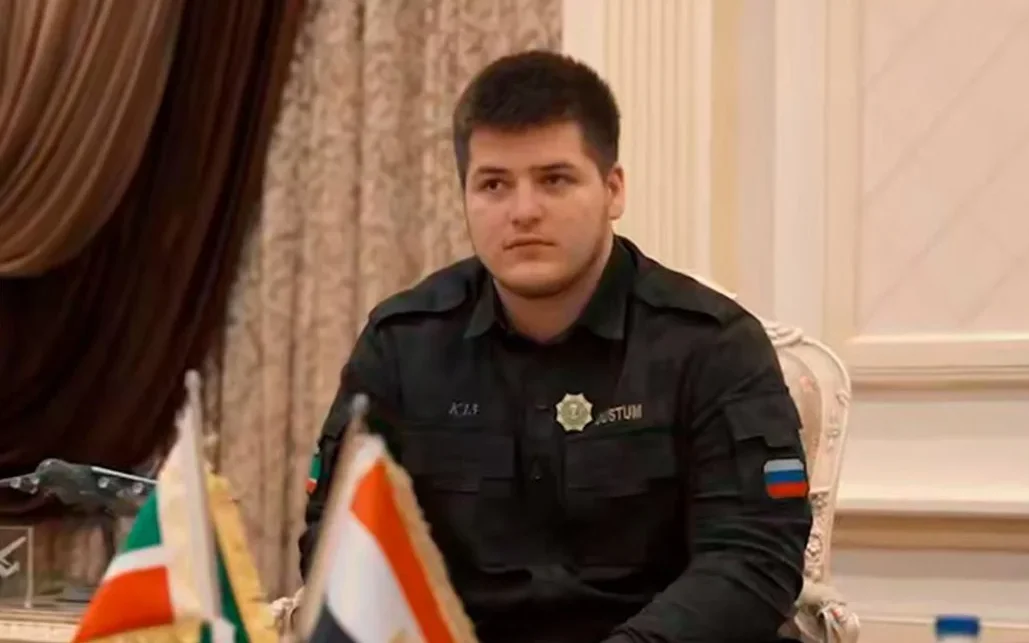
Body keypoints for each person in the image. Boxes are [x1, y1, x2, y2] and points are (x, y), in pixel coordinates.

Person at [300, 49, 812, 643]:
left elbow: (753, 558)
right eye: (494, 184)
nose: (523, 212)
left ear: (613, 189)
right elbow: (340, 548)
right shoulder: (401, 345)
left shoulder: (712, 344)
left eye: (554, 179)